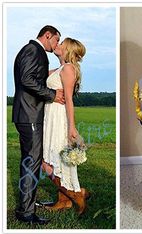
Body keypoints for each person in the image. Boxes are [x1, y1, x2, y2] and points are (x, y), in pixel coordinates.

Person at [13, 25, 64, 224]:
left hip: (27, 114)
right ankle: (26, 212)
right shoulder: (33, 50)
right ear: (48, 35)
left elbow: (35, 77)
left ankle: (27, 205)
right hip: (29, 115)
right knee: (31, 164)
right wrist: (51, 95)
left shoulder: (32, 51)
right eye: (56, 40)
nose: (57, 44)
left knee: (31, 162)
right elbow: (27, 79)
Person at [41, 37, 89, 214]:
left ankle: (77, 195)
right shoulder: (59, 68)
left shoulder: (68, 69)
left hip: (58, 119)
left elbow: (69, 100)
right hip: (49, 116)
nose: (58, 45)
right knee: (55, 160)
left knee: (47, 163)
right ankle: (65, 200)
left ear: (67, 49)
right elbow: (38, 75)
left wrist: (72, 127)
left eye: (62, 43)